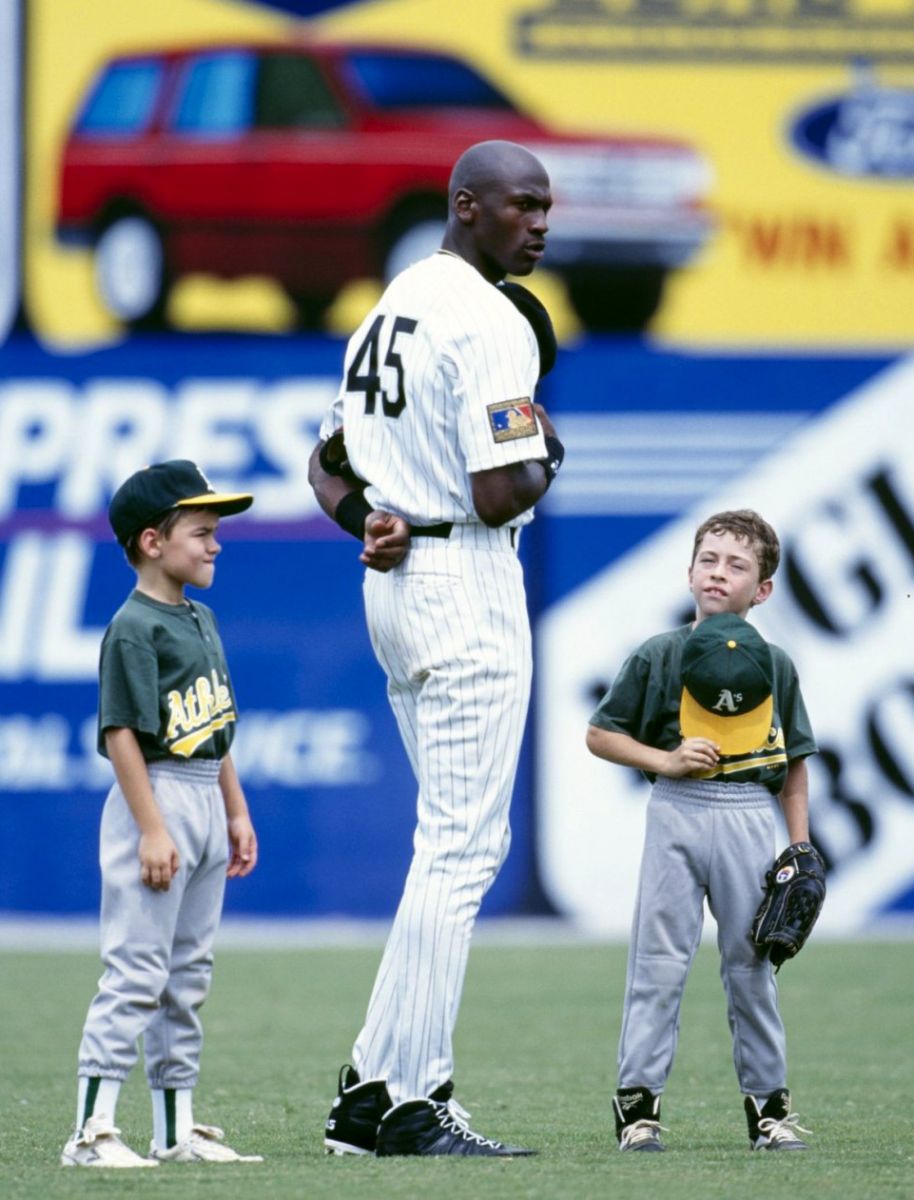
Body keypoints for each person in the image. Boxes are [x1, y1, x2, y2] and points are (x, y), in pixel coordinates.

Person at [308, 140, 564, 1158]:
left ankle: (377, 1083)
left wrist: (367, 511)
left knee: (446, 844)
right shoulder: (491, 318)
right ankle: (402, 1102)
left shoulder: (392, 301)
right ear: (467, 206)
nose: (539, 222)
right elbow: (503, 489)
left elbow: (324, 463)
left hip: (396, 578)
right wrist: (547, 445)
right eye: (522, 205)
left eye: (546, 207)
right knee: (460, 850)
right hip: (464, 580)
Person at [586, 509, 818, 1153]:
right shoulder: (659, 653)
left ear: (763, 589)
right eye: (709, 559)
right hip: (676, 809)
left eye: (737, 565)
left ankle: (769, 1110)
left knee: (753, 964)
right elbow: (600, 734)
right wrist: (664, 760)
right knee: (658, 963)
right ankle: (638, 1110)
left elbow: (794, 765)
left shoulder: (776, 664)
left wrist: (798, 846)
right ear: (689, 570)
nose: (719, 572)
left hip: (748, 812)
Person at [61, 460, 263, 1168]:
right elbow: (121, 733)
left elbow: (218, 725)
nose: (215, 545)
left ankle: (173, 1129)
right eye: (201, 532)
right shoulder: (133, 626)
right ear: (152, 541)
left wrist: (235, 811)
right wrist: (152, 826)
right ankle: (91, 1132)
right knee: (137, 970)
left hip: (205, 790)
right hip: (158, 794)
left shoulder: (199, 617)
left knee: (188, 973)